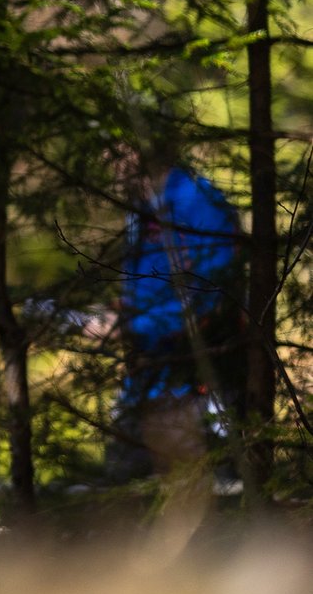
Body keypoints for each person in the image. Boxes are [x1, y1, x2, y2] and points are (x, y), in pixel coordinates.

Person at [101, 139, 239, 496]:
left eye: (119, 147)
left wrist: (136, 325)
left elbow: (216, 291)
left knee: (219, 485)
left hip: (195, 371)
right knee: (124, 482)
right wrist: (123, 313)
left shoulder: (196, 199)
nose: (108, 158)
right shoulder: (140, 204)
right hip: (145, 370)